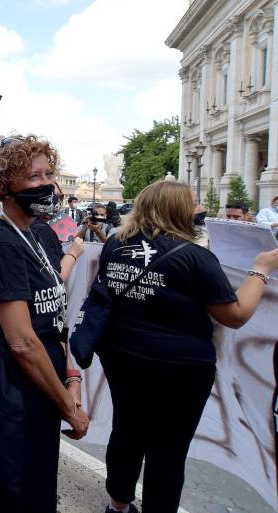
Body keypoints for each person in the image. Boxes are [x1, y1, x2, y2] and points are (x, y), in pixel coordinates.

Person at [94, 180, 278, 513]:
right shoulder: (194, 257)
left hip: (121, 353)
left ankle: (118, 505)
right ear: (177, 209)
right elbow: (234, 315)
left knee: (127, 430)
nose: (199, 209)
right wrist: (260, 270)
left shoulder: (115, 246)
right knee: (168, 447)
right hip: (180, 365)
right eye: (192, 203)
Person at [0, 135, 88, 512]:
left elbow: (51, 313)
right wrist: (69, 407)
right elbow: (22, 341)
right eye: (33, 176)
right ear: (4, 186)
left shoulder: (41, 235)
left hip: (41, 389)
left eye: (48, 173)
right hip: (11, 395)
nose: (46, 183)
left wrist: (70, 373)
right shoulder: (1, 242)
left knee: (35, 487)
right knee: (7, 494)